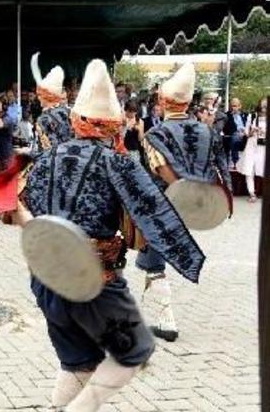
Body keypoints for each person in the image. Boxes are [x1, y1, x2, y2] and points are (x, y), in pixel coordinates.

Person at [21, 59, 205, 411]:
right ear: (114, 125)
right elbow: (153, 215)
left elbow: (17, 201)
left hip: (44, 278)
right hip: (93, 283)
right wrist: (185, 252)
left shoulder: (44, 159)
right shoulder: (117, 162)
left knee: (78, 362)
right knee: (135, 351)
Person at [139, 63, 232, 343]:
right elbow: (221, 166)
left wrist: (182, 195)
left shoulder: (155, 134)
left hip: (165, 203)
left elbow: (162, 170)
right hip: (199, 203)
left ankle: (166, 320)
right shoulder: (207, 131)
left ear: (163, 101)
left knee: (153, 261)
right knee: (152, 257)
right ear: (188, 103)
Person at [31, 56, 72, 152]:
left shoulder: (44, 118)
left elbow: (46, 148)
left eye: (40, 95)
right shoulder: (71, 112)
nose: (38, 98)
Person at [237, 97, 267, 203]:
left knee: (263, 169)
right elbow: (246, 133)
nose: (264, 106)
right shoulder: (253, 116)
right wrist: (252, 131)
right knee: (249, 169)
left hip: (263, 147)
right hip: (251, 145)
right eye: (263, 104)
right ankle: (252, 193)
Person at [224, 97, 248, 166]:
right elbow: (226, 129)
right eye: (231, 106)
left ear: (240, 106)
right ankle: (235, 160)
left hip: (245, 134)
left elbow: (248, 125)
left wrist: (245, 131)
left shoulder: (245, 115)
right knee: (235, 137)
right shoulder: (227, 116)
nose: (233, 108)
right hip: (234, 134)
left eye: (235, 106)